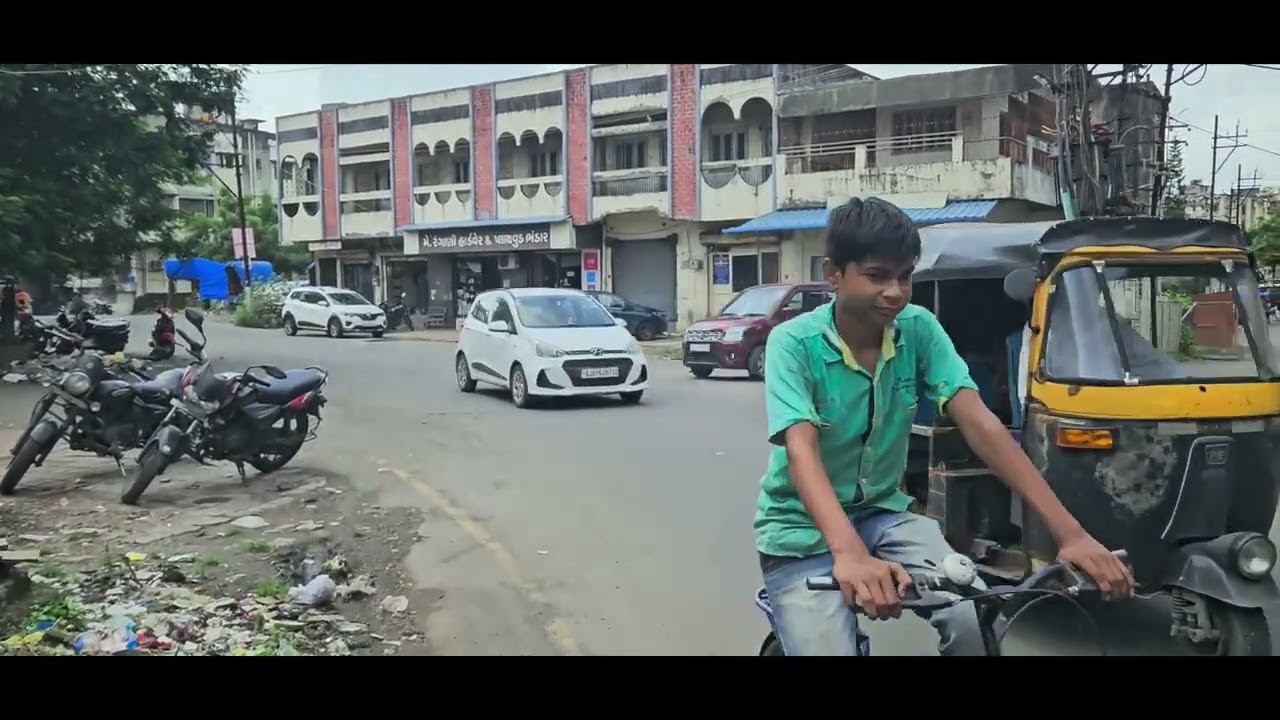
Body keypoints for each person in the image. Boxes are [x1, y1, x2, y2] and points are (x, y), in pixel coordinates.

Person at [755, 197, 1134, 656]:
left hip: (884, 514)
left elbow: (982, 426)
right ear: (834, 274)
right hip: (800, 531)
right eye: (877, 276)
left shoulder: (918, 329)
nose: (895, 292)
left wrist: (1071, 535)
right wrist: (850, 555)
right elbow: (802, 450)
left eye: (905, 276)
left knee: (972, 615)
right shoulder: (793, 343)